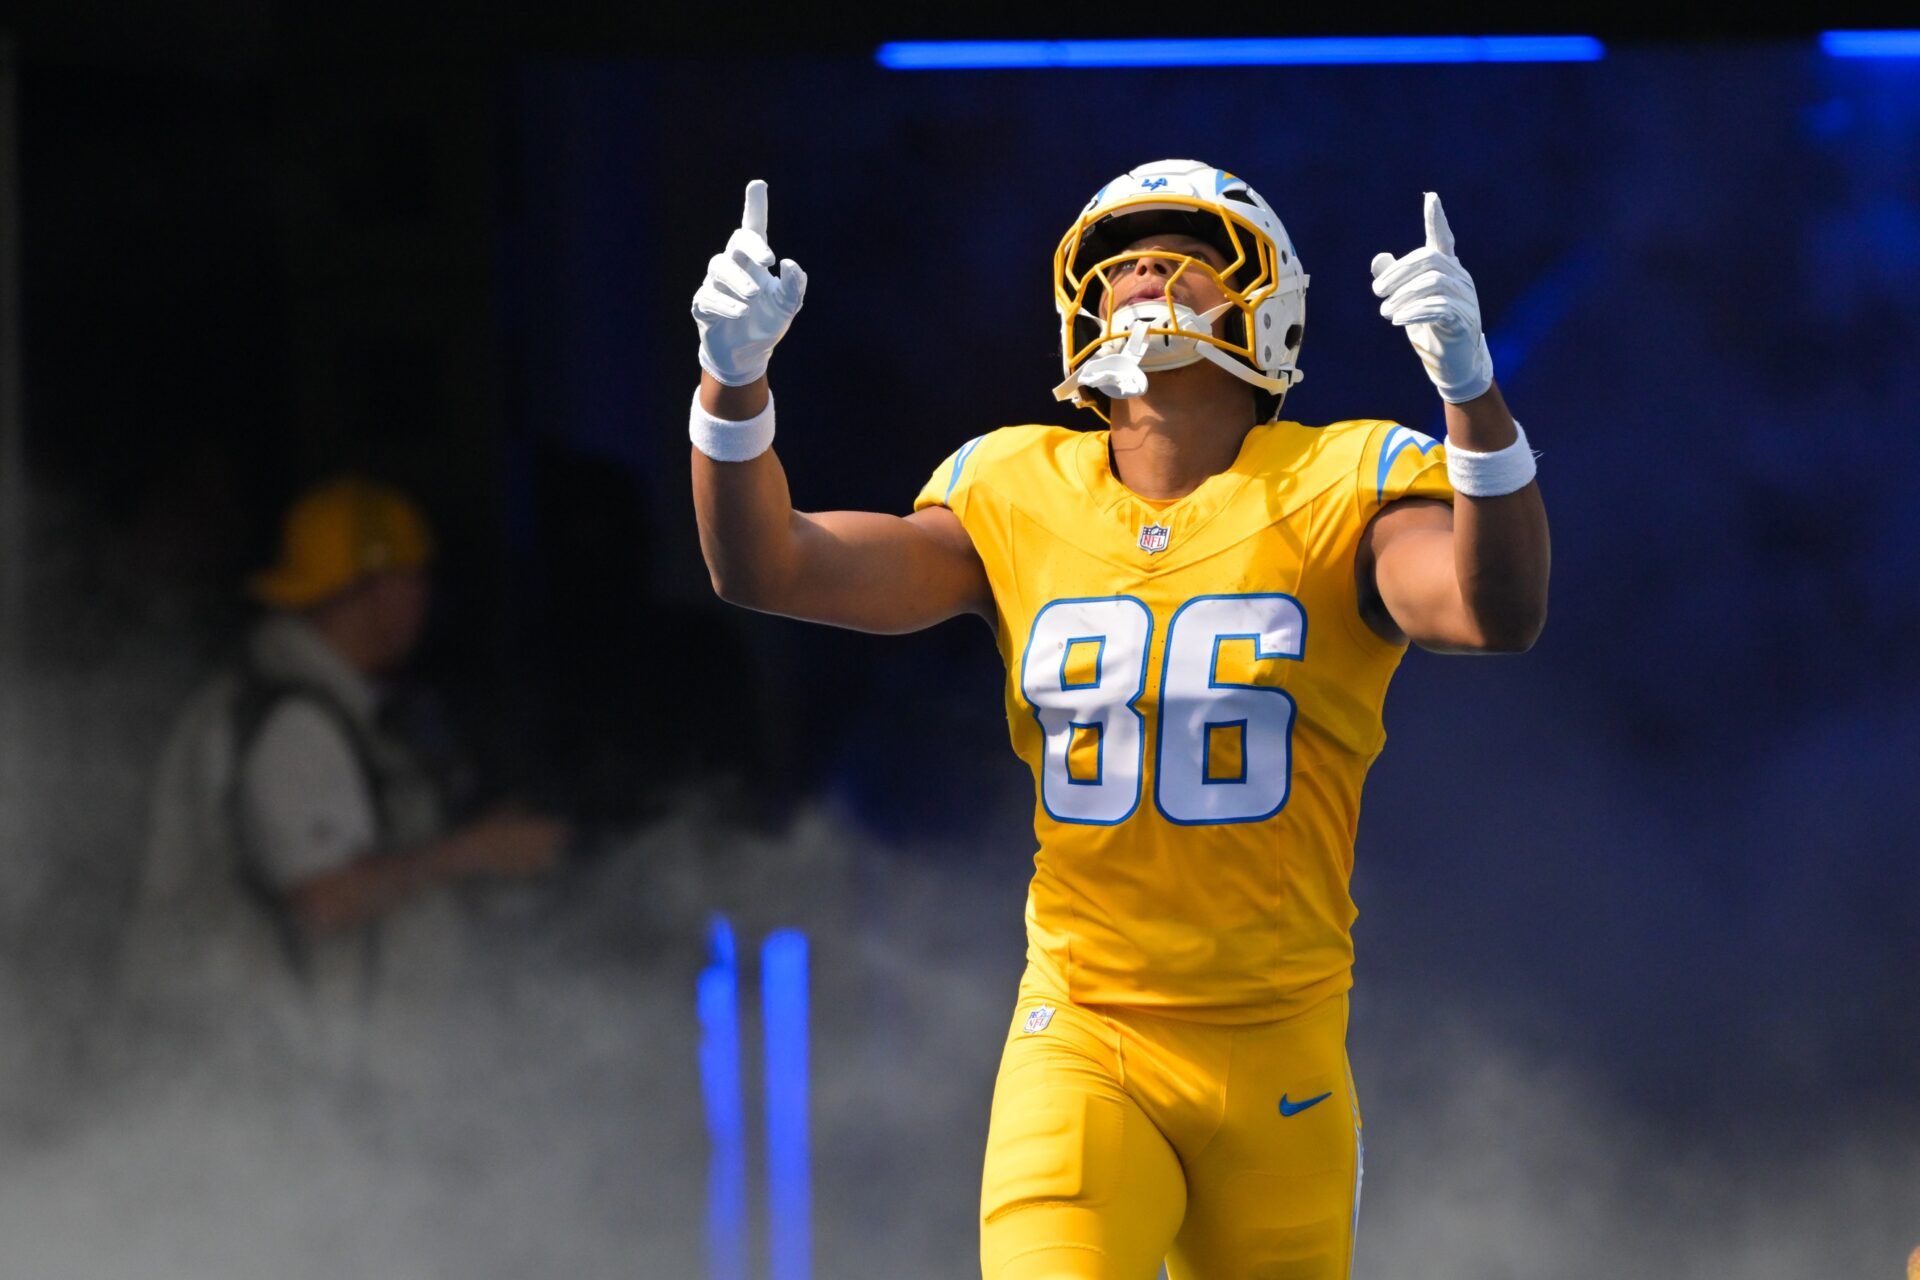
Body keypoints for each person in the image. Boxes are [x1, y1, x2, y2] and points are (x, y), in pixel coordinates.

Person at [687, 162, 1549, 1279]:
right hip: (1085, 1028)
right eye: (1121, 260)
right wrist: (730, 386)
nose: (1144, 273)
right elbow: (770, 563)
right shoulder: (1014, 484)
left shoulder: (1343, 476)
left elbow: (1497, 609)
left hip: (1279, 1043)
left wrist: (1474, 399)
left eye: (1184, 252)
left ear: (1265, 304)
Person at [130, 475, 570, 1058]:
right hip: (264, 1077)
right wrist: (476, 851)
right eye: (414, 577)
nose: (423, 598)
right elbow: (325, 900)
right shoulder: (294, 722)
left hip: (290, 1072)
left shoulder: (330, 702)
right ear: (375, 589)